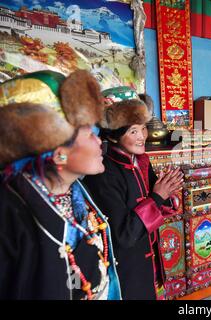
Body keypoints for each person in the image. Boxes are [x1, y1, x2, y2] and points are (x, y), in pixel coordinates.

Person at [0, 70, 121, 300]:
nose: (99, 141)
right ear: (59, 156)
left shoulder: (76, 195)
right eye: (90, 134)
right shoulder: (9, 217)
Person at [83, 87, 184, 300]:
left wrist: (168, 193)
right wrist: (157, 197)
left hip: (149, 262)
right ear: (113, 136)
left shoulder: (140, 161)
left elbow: (161, 203)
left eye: (143, 128)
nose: (142, 137)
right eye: (133, 131)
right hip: (126, 268)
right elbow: (124, 235)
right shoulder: (103, 174)